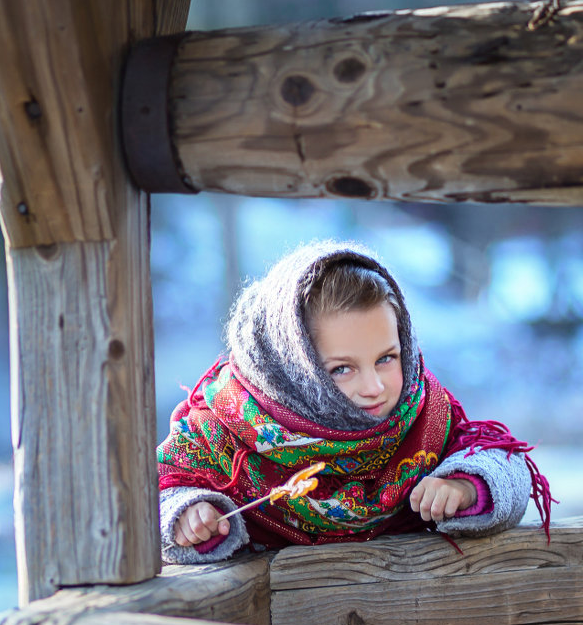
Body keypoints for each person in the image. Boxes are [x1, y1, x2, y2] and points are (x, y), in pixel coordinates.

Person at [157, 240, 551, 563]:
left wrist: (466, 487)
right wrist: (189, 515)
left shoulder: (424, 415)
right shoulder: (219, 432)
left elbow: (505, 461)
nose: (375, 387)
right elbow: (156, 492)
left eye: (386, 358)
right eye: (342, 369)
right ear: (292, 371)